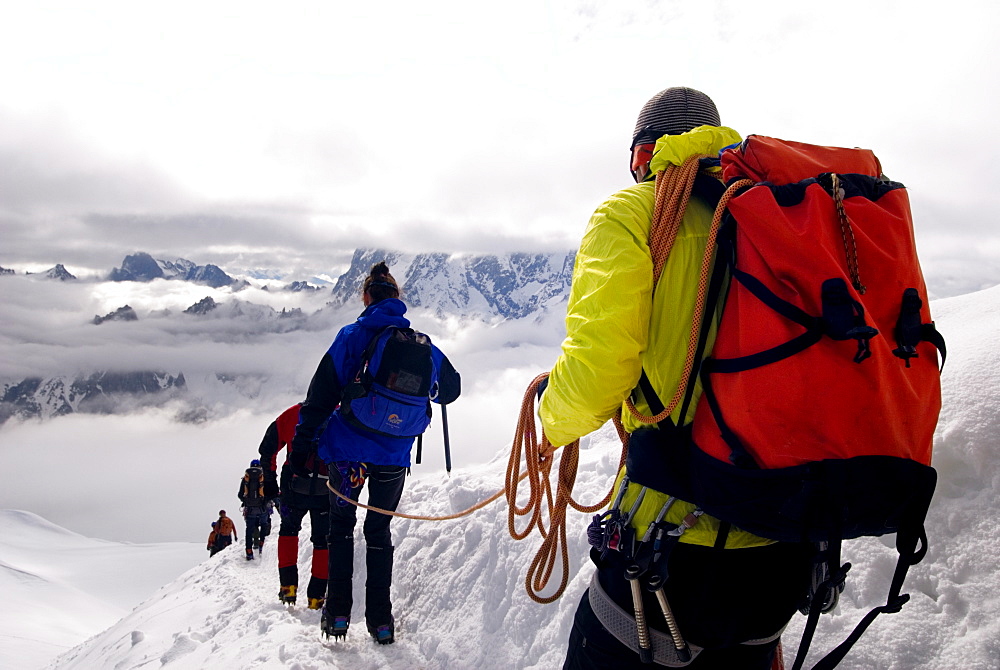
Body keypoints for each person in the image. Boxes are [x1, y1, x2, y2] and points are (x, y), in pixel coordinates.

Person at [538, 87, 813, 669]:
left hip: (667, 547)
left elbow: (597, 373)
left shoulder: (630, 215)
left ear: (644, 155)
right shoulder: (784, 216)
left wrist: (549, 420)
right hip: (780, 545)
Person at [290, 261, 460, 645]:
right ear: (397, 298)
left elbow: (321, 395)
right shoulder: (422, 344)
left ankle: (337, 617)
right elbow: (451, 389)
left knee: (340, 528)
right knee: (379, 529)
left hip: (348, 451)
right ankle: (381, 623)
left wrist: (303, 446)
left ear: (366, 297)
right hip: (394, 455)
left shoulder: (351, 336)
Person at [258, 402, 332, 609]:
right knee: (322, 540)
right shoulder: (338, 412)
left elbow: (267, 449)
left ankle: (287, 587)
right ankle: (316, 597)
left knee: (289, 531)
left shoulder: (293, 413)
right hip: (325, 486)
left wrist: (270, 483)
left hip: (293, 483)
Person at [239, 459, 270, 561]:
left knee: (249, 530)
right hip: (262, 508)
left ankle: (249, 551)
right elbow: (269, 493)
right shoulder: (263, 477)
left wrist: (246, 501)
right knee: (264, 525)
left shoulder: (246, 479)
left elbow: (240, 495)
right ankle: (261, 545)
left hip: (250, 509)